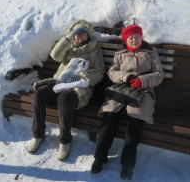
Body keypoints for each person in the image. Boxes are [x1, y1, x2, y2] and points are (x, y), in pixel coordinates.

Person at [91, 25, 164, 180]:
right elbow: (112, 72)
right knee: (109, 116)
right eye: (130, 37)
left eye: (137, 36)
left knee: (135, 120)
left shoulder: (151, 53)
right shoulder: (120, 53)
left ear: (141, 37)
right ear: (126, 40)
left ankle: (127, 164)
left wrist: (142, 81)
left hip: (143, 92)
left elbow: (159, 75)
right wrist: (126, 77)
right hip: (120, 90)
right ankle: (100, 157)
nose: (134, 40)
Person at [28, 19, 105, 161]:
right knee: (39, 94)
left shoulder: (95, 50)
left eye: (82, 33)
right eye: (76, 33)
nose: (79, 36)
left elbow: (100, 72)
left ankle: (64, 140)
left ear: (88, 34)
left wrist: (82, 76)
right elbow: (54, 55)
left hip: (79, 87)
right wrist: (67, 39)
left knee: (65, 98)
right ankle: (37, 134)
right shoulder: (68, 47)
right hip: (61, 82)